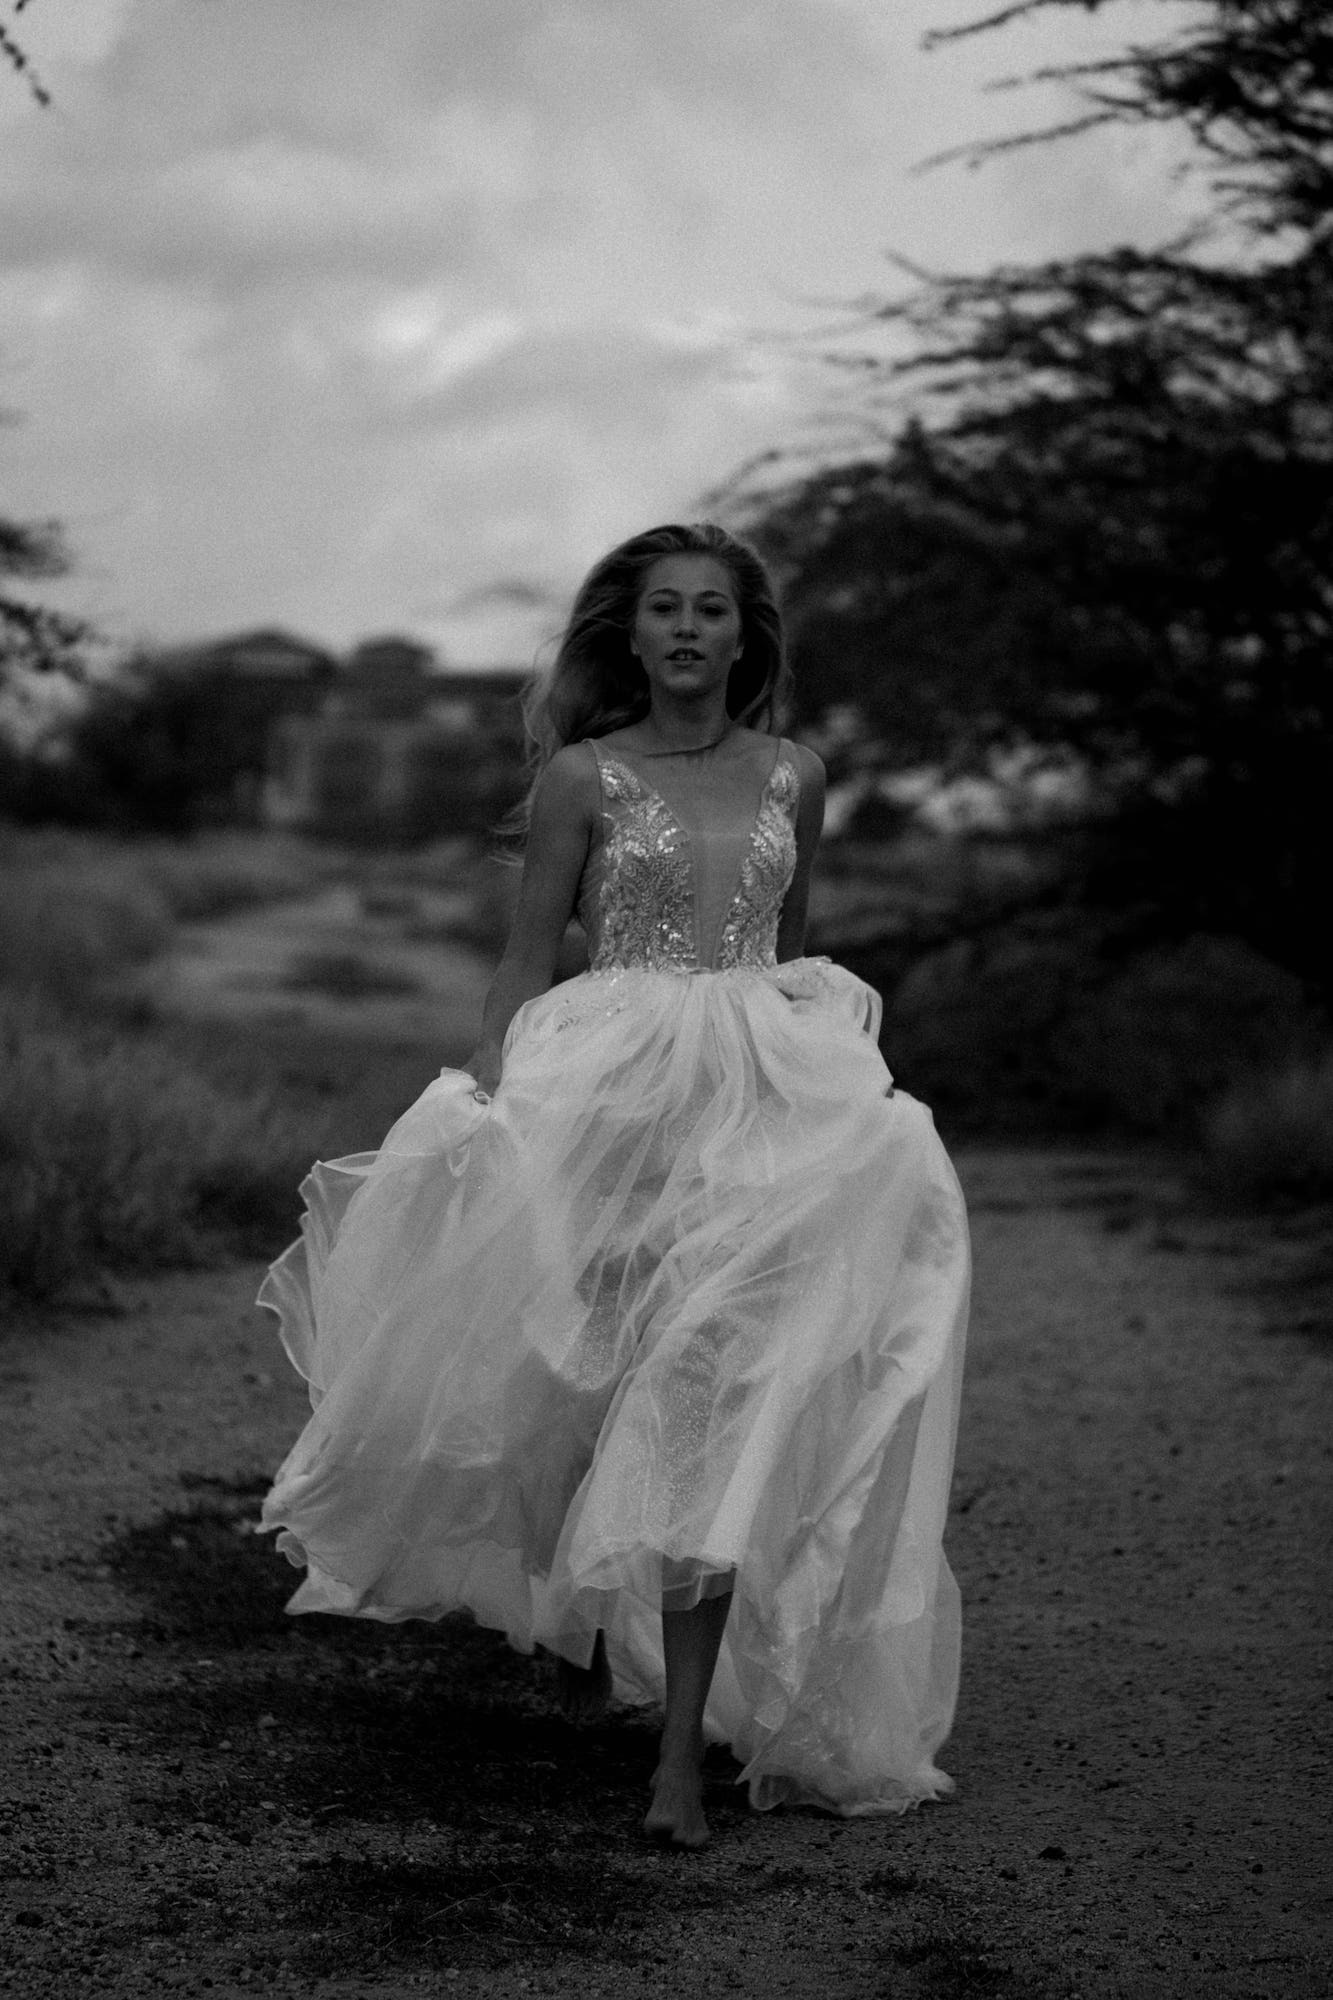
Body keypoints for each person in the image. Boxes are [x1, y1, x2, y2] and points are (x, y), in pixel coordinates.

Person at [258, 522, 970, 1849]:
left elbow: (791, 953)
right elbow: (527, 960)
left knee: (711, 1392)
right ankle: (587, 1622)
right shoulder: (584, 778)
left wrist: (828, 1099)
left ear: (745, 636)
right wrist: (485, 1099)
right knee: (587, 1377)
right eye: (665, 610)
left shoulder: (794, 777)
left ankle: (679, 1764)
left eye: (713, 610)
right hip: (613, 1093)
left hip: (758, 1097)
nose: (690, 630)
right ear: (629, 635)